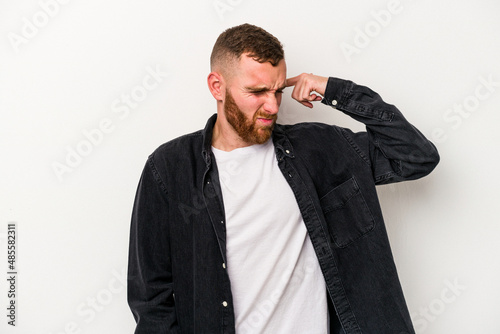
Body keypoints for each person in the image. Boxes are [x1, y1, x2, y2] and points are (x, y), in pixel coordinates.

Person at [127, 23, 439, 334]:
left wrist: (335, 91)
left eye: (278, 91)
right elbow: (151, 298)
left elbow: (416, 157)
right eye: (257, 91)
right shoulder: (170, 169)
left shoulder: (322, 150)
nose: (273, 106)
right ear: (217, 86)